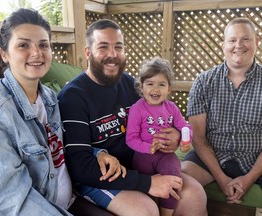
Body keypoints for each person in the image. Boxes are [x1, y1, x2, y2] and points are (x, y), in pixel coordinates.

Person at [58, 19, 207, 216]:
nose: (112, 54)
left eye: (118, 47)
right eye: (103, 47)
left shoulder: (131, 84)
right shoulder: (73, 97)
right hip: (99, 177)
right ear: (88, 52)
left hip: (141, 163)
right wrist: (148, 183)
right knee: (144, 211)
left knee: (195, 195)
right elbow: (80, 166)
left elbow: (165, 117)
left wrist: (176, 137)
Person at [0, 8, 113, 216]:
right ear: (4, 53)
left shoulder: (49, 98)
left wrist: (97, 153)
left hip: (66, 199)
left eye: (43, 45)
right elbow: (10, 201)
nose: (37, 53)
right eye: (23, 45)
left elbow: (61, 148)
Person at [182, 17, 262, 204]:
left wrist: (249, 179)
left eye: (246, 39)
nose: (238, 45)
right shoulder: (203, 82)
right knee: (179, 182)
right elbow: (198, 138)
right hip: (211, 158)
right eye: (232, 40)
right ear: (223, 45)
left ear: (256, 41)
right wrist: (221, 178)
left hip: (255, 159)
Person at [126, 57, 192, 216]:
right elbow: (131, 139)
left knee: (173, 179)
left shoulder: (172, 108)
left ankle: (166, 213)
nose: (155, 89)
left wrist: (185, 139)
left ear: (169, 88)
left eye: (161, 84)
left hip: (166, 155)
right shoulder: (137, 109)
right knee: (147, 192)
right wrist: (148, 147)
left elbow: (185, 126)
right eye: (150, 84)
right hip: (143, 156)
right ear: (141, 87)